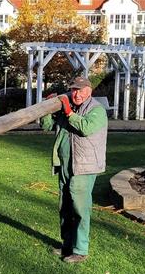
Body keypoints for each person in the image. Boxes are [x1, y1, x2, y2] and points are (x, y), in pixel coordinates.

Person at [41, 77, 108, 263]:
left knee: (80, 208)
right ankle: (68, 245)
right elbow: (47, 126)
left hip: (85, 167)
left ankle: (80, 250)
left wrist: (69, 112)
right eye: (73, 90)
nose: (76, 94)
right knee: (65, 207)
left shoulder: (97, 110)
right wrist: (47, 109)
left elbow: (85, 128)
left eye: (80, 90)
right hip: (65, 165)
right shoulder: (68, 108)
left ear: (89, 91)